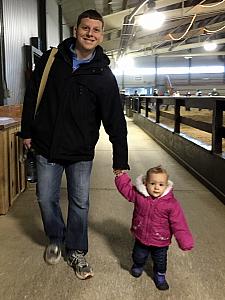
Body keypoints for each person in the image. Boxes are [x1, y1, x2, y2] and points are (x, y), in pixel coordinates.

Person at [21, 9, 129, 280]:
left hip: (80, 152)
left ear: (101, 35)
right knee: (46, 198)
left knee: (80, 202)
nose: (90, 33)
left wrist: (120, 160)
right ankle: (56, 237)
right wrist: (27, 131)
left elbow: (115, 119)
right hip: (47, 146)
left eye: (95, 30)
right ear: (75, 30)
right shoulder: (51, 60)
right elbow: (33, 96)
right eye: (85, 28)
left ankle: (77, 250)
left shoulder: (103, 76)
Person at [114, 166, 194, 291]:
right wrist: (120, 177)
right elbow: (127, 190)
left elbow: (179, 223)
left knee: (160, 261)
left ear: (166, 185)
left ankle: (159, 275)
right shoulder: (139, 195)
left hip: (161, 241)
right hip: (141, 236)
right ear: (145, 183)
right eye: (153, 183)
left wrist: (185, 240)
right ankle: (138, 265)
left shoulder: (171, 204)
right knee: (138, 255)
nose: (156, 187)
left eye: (161, 184)